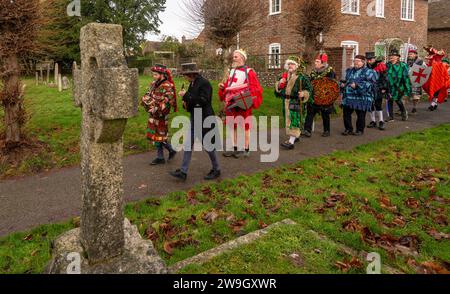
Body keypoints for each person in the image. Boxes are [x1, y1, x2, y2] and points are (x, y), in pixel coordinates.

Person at [170, 63, 221, 181]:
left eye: (185, 75)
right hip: (195, 117)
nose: (184, 77)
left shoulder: (204, 83)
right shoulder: (192, 83)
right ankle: (183, 172)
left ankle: (217, 169)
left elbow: (203, 101)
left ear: (191, 74)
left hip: (204, 118)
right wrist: (185, 103)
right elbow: (192, 101)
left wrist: (186, 95)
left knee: (208, 145)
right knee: (188, 144)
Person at [219, 49, 263, 158]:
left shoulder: (249, 72)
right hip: (231, 103)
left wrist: (242, 95)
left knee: (245, 126)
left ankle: (246, 148)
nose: (233, 59)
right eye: (233, 57)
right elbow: (229, 85)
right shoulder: (232, 71)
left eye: (236, 57)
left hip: (242, 103)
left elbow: (256, 89)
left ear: (242, 58)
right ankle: (234, 148)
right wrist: (223, 87)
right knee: (232, 126)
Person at [141, 64, 177, 165]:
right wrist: (145, 99)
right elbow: (148, 93)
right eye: (153, 74)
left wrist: (157, 108)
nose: (154, 76)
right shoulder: (153, 83)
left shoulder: (168, 85)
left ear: (162, 75)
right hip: (152, 114)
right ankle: (160, 157)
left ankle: (171, 150)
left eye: (156, 74)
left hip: (161, 114)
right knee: (155, 135)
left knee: (160, 134)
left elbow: (169, 100)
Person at [275, 56, 313, 150]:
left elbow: (309, 89)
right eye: (288, 64)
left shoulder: (302, 77)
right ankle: (296, 136)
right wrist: (279, 84)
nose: (290, 66)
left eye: (292, 64)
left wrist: (304, 93)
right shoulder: (284, 76)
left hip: (296, 101)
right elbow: (278, 90)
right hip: (286, 101)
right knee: (288, 119)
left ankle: (291, 142)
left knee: (294, 120)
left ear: (296, 66)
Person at [341, 55, 377, 136]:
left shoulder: (369, 72)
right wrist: (342, 84)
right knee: (346, 113)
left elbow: (371, 84)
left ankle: (359, 130)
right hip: (349, 96)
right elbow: (345, 80)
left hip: (362, 97)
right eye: (355, 61)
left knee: (360, 114)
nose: (356, 62)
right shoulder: (349, 71)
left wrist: (357, 85)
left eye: (358, 61)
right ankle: (348, 129)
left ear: (363, 62)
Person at [303, 53, 338, 138]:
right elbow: (310, 82)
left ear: (323, 62)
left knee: (325, 114)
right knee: (310, 113)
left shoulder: (330, 71)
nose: (315, 63)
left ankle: (326, 130)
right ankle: (307, 130)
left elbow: (331, 84)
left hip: (325, 98)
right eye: (315, 61)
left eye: (317, 61)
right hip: (314, 97)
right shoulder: (313, 71)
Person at [386, 49, 411, 122]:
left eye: (393, 56)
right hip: (389, 86)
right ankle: (391, 117)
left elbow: (406, 77)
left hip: (399, 87)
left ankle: (403, 112)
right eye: (390, 56)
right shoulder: (387, 65)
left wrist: (407, 89)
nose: (391, 57)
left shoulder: (402, 65)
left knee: (398, 100)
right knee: (389, 100)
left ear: (397, 57)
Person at [422, 46, 450, 111]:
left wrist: (434, 52)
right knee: (432, 89)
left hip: (439, 76)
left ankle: (433, 104)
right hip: (432, 76)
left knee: (437, 89)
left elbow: (441, 54)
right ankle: (434, 103)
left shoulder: (441, 64)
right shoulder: (431, 62)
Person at [366, 52, 388, 131]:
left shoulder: (380, 66)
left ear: (374, 59)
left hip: (378, 88)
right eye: (367, 60)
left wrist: (384, 87)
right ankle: (373, 121)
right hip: (368, 89)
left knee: (378, 104)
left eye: (370, 59)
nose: (369, 61)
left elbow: (385, 77)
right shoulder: (366, 67)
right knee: (370, 105)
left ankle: (381, 121)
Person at [407, 48, 425, 114]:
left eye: (411, 54)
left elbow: (424, 70)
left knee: (415, 96)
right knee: (405, 95)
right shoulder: (407, 61)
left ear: (415, 54)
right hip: (408, 80)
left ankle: (414, 108)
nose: (409, 55)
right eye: (409, 54)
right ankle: (401, 109)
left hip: (416, 80)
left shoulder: (420, 62)